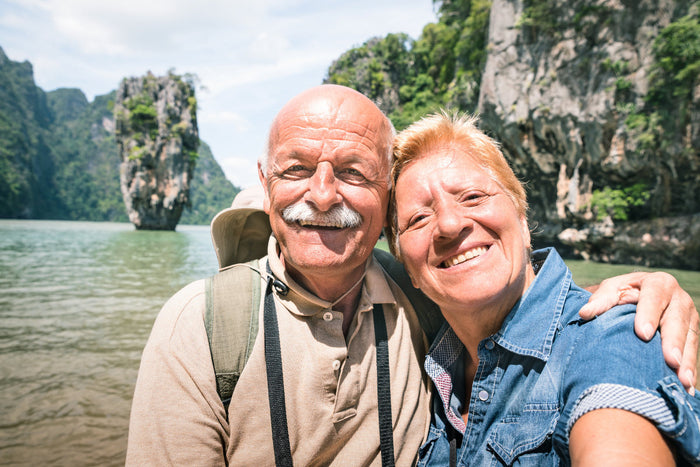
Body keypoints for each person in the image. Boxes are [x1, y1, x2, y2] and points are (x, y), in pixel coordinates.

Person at [126, 84, 698, 466]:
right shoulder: (201, 325)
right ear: (266, 180)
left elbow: (603, 387)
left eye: (352, 172)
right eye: (297, 168)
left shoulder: (608, 332)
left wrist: (630, 303)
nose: (322, 195)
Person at [388, 111, 700, 465]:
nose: (448, 223)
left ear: (522, 222)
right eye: (418, 218)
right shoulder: (424, 356)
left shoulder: (615, 334)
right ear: (406, 268)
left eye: (473, 197)